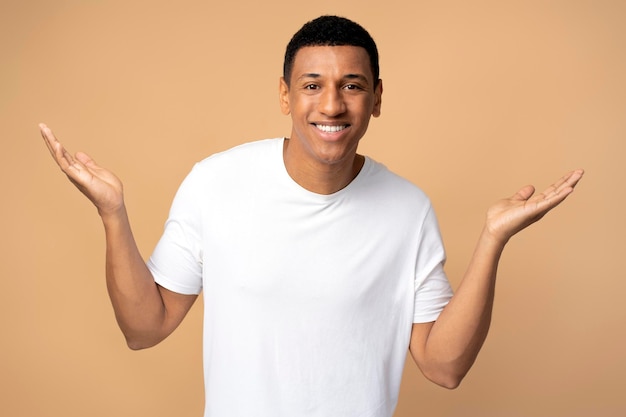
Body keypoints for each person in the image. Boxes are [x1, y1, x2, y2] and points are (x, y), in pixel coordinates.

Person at [40, 15, 583, 417]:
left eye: (352, 85)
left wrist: (493, 239)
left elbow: (443, 367)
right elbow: (144, 327)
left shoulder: (407, 209)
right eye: (312, 85)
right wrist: (113, 215)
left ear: (375, 99)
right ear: (285, 95)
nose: (331, 105)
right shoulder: (215, 182)